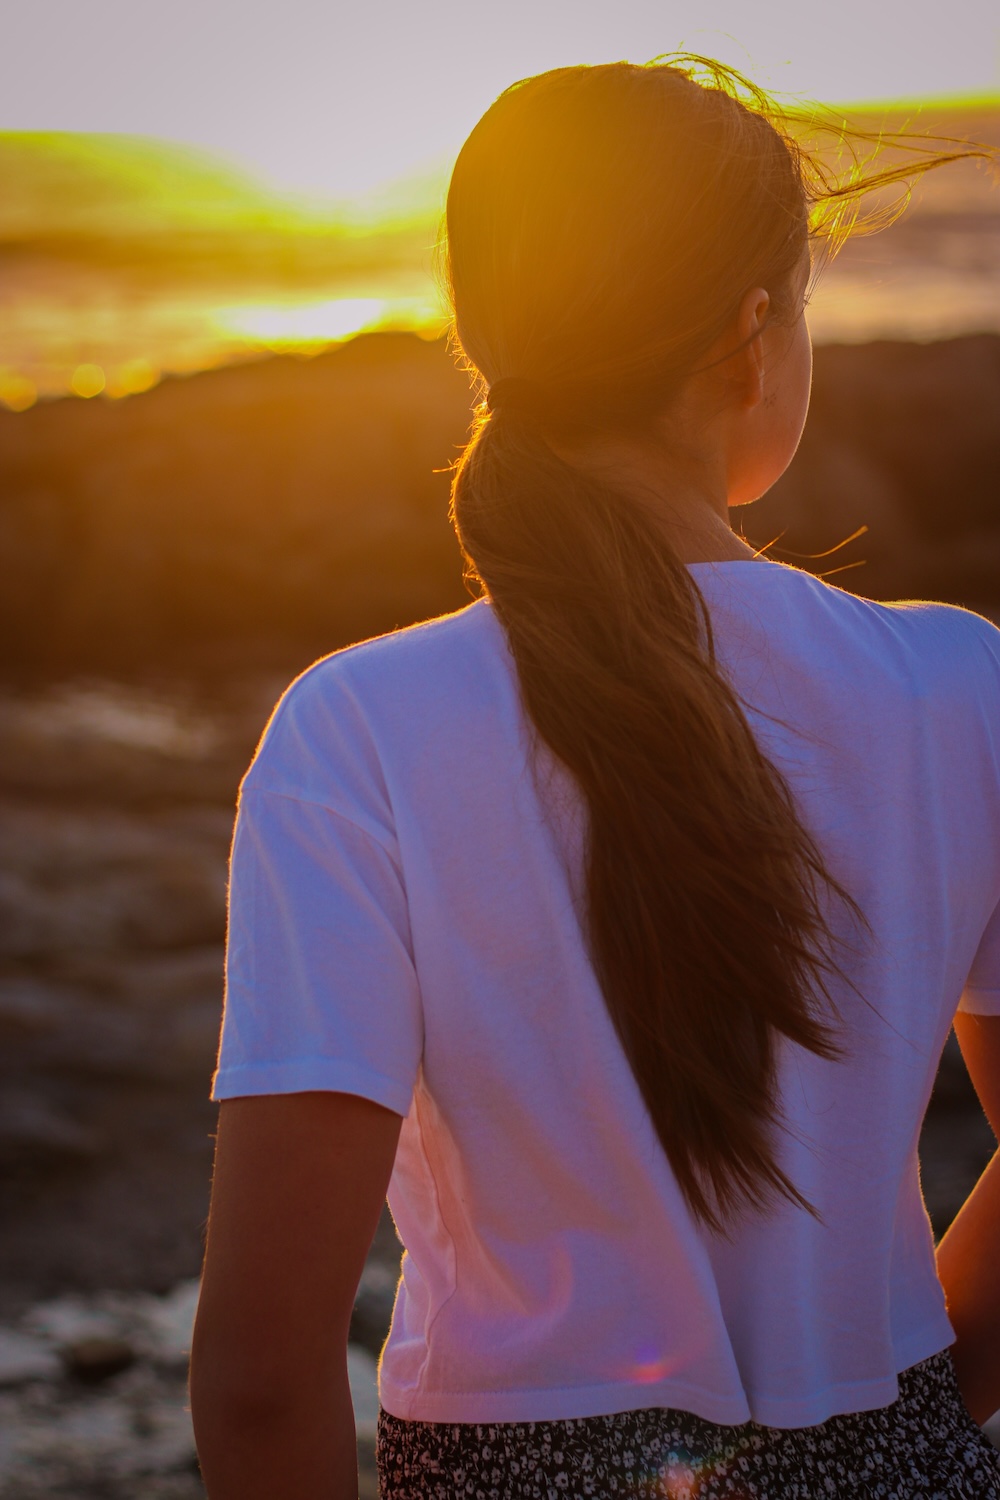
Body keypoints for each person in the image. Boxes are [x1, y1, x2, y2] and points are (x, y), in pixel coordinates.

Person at [190, 58, 1000, 1499]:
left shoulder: (355, 730)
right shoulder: (960, 692)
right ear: (754, 339)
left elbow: (262, 1376)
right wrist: (909, 1417)